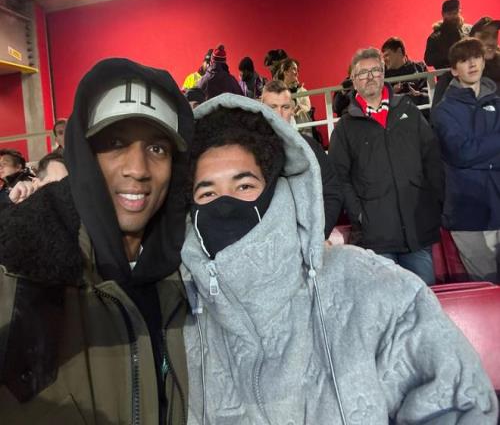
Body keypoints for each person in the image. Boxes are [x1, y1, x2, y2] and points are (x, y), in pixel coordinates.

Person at [179, 93, 497, 424]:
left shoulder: (368, 286)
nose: (226, 204)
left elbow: (457, 401)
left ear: (277, 189)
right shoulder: (181, 314)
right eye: (208, 193)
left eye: (244, 186)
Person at [0, 58, 193, 424]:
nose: (137, 169)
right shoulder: (16, 270)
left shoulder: (192, 274)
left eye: (157, 149)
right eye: (115, 143)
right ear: (83, 156)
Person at [328, 48, 443, 285]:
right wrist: (360, 215)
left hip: (417, 230)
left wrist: (433, 202)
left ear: (383, 74)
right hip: (376, 238)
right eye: (362, 73)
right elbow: (340, 178)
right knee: (386, 303)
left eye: (375, 70)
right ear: (354, 81)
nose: (370, 77)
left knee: (425, 299)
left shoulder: (408, 110)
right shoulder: (345, 128)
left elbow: (431, 158)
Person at [432, 38, 500, 283]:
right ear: (454, 70)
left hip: (496, 201)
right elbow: (462, 153)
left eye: (476, 57)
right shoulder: (443, 110)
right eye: (463, 60)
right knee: (487, 288)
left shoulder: (497, 102)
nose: (472, 64)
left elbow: (470, 152)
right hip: (467, 213)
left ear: (483, 61)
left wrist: (478, 153)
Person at [261, 79, 343, 237]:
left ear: (292, 110)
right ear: (262, 109)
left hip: (309, 237)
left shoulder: (310, 147)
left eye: (285, 107)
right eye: (272, 107)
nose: (279, 114)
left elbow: (332, 191)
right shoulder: (249, 151)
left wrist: (319, 235)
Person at [432, 16, 500, 109]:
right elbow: (439, 115)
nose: (491, 42)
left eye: (495, 36)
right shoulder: (449, 80)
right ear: (470, 41)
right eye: (484, 36)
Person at [424, 0, 471, 69]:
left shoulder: (469, 30)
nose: (453, 16)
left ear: (459, 12)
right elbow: (428, 60)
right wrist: (448, 54)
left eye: (455, 13)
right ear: (443, 14)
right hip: (447, 74)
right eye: (449, 14)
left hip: (469, 71)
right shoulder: (435, 37)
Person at [381, 37, 429, 108]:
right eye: (383, 56)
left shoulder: (420, 68)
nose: (384, 59)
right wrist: (391, 92)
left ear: (399, 51)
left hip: (419, 111)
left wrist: (418, 94)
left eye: (387, 55)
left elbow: (430, 93)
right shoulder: (381, 75)